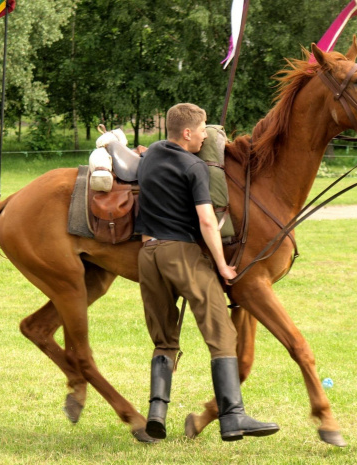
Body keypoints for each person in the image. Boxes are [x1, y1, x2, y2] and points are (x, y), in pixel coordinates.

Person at [135, 103, 280, 442]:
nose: (204, 136)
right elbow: (205, 221)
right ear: (187, 133)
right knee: (222, 333)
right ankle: (233, 417)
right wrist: (221, 263)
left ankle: (156, 413)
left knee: (164, 339)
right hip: (179, 254)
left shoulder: (151, 155)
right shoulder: (194, 166)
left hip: (148, 254)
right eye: (202, 130)